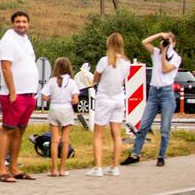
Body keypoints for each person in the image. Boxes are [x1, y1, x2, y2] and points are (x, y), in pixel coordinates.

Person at [123, 32, 182, 167]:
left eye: (169, 41)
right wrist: (159, 35)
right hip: (154, 92)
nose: (166, 43)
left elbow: (166, 68)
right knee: (143, 125)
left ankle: (161, 156)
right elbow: (144, 42)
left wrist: (164, 53)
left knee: (164, 129)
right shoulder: (156, 52)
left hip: (167, 93)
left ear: (174, 43)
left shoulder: (176, 58)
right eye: (164, 41)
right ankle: (135, 154)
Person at [0, 11, 38, 183]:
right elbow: (6, 67)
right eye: (18, 21)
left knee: (19, 131)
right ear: (13, 23)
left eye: (24, 21)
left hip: (28, 93)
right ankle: (1, 169)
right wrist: (12, 91)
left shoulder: (25, 40)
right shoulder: (8, 41)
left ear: (28, 23)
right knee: (8, 129)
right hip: (14, 94)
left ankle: (13, 167)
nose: (21, 24)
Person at [86, 33, 129, 177]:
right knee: (116, 134)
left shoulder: (104, 61)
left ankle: (98, 167)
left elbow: (96, 78)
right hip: (118, 99)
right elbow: (122, 81)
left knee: (98, 134)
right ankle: (115, 166)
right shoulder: (126, 63)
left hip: (104, 99)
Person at [42, 57, 79, 177]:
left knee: (54, 141)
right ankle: (62, 170)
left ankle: (54, 169)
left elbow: (44, 96)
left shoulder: (52, 81)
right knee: (65, 140)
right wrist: (70, 99)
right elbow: (75, 100)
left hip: (54, 108)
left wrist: (52, 99)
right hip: (66, 109)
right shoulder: (72, 82)